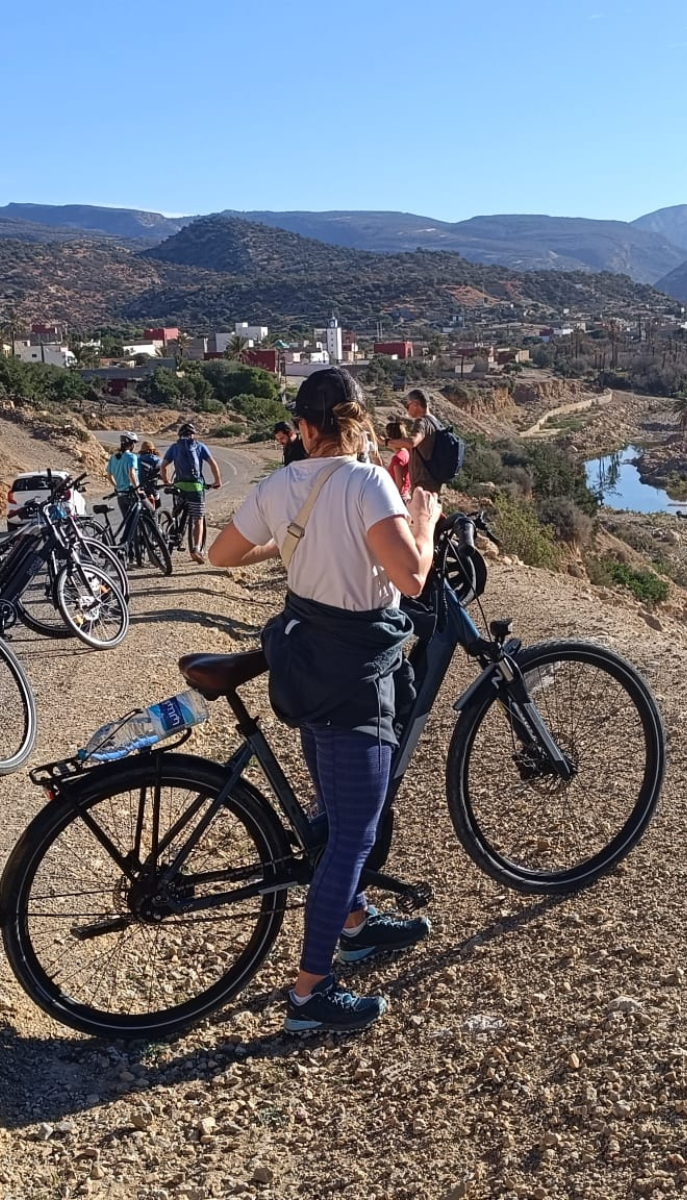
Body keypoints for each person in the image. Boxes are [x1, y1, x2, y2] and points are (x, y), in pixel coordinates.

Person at [209, 367, 441, 1034]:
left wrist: (282, 544)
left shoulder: (282, 483)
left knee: (339, 809)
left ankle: (355, 919)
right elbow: (411, 576)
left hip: (306, 666)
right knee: (353, 834)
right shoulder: (368, 482)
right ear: (357, 423)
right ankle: (311, 990)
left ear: (305, 429)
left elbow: (222, 555)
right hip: (352, 678)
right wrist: (422, 519)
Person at [160, 422, 222, 563]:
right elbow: (213, 464)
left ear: (180, 435)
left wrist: (166, 481)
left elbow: (163, 466)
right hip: (196, 487)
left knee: (178, 509)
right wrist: (217, 481)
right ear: (193, 435)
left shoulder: (175, 447)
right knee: (198, 519)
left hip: (179, 486)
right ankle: (196, 548)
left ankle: (174, 526)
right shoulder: (200, 446)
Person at [386, 388, 443, 495]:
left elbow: (412, 442)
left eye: (408, 406)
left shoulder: (422, 421)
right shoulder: (435, 422)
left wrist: (388, 443)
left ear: (415, 404)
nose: (407, 409)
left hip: (423, 480)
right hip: (435, 477)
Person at [106, 432, 140, 515]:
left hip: (120, 495)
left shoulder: (113, 457)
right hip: (131, 493)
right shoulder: (131, 457)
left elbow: (109, 476)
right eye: (134, 443)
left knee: (128, 521)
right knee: (148, 511)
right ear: (131, 444)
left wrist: (117, 486)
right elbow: (131, 474)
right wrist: (138, 490)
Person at [385, 419, 411, 502]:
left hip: (399, 498)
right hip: (406, 495)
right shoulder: (406, 452)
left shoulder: (397, 459)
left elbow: (399, 483)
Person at [137, 440, 162, 509]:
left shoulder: (138, 459)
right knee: (157, 504)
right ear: (152, 450)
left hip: (138, 487)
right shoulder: (155, 459)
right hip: (150, 487)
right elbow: (161, 471)